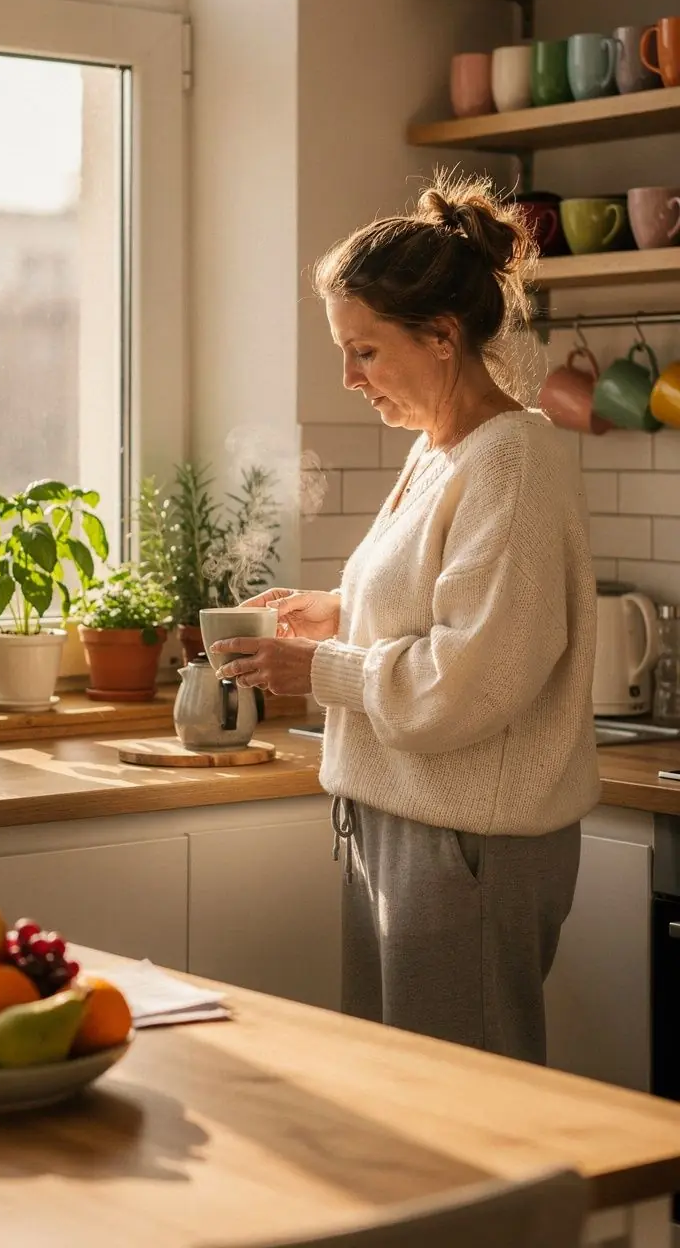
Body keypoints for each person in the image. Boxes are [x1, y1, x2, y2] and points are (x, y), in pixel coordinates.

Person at [209, 172, 599, 1066]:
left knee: (464, 1109)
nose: (350, 378)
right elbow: (443, 603)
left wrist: (324, 672)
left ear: (443, 337)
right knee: (402, 1094)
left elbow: (476, 678)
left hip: (470, 845)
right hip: (404, 820)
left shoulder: (513, 463)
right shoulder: (441, 452)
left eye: (366, 352)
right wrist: (338, 611)